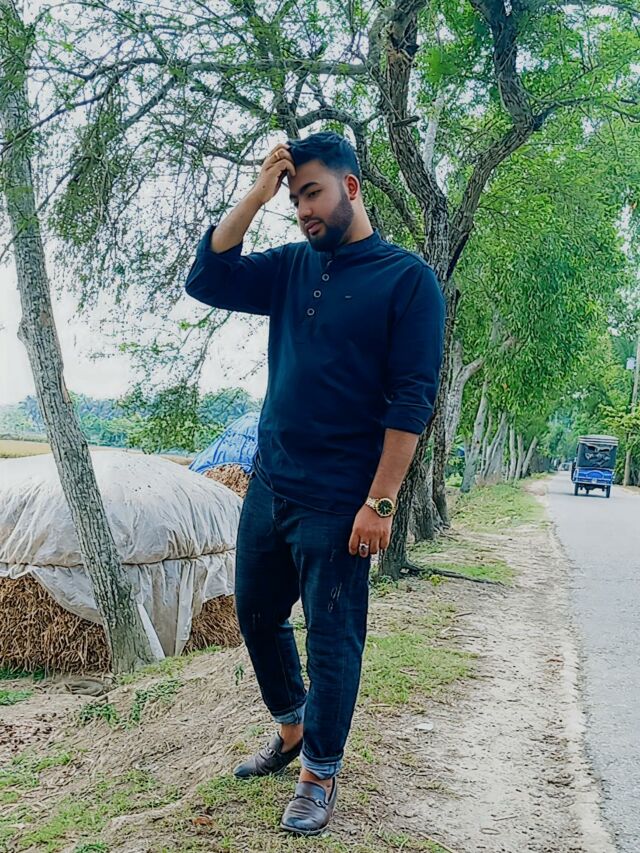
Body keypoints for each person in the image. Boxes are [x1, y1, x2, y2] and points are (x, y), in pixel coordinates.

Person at [185, 131, 445, 836]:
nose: (302, 210)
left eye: (312, 193)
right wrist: (256, 193)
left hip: (341, 499)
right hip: (272, 483)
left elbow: (412, 400)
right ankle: (293, 729)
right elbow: (207, 278)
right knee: (254, 613)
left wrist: (380, 502)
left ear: (351, 188)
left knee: (333, 637)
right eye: (293, 198)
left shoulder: (407, 280)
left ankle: (319, 771)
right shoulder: (292, 267)